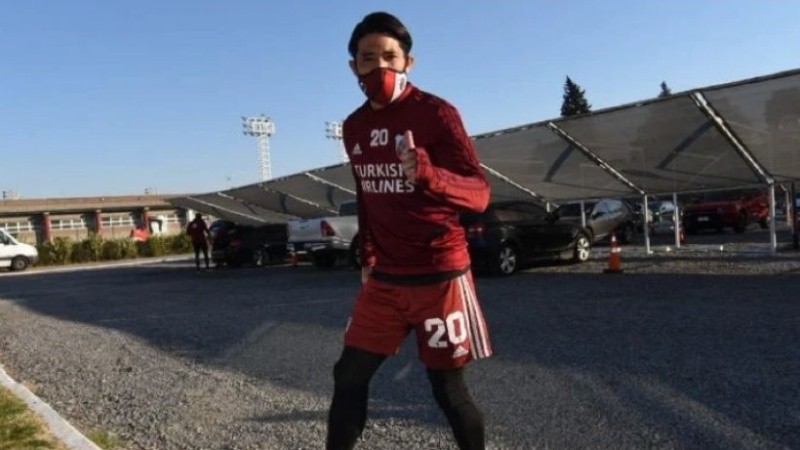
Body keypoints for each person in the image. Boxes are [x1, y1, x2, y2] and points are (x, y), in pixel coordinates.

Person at [326, 12, 492, 450]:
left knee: (448, 392)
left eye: (390, 56)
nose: (380, 66)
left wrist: (430, 174)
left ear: (408, 63)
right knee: (348, 375)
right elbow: (367, 193)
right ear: (353, 67)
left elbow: (479, 195)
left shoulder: (437, 113)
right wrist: (368, 253)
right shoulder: (354, 126)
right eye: (368, 58)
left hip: (440, 277)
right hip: (385, 282)